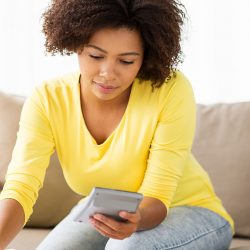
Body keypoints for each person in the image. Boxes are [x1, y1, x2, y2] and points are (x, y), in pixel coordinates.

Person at [0, 0, 234, 249]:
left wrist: (136, 220)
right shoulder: (48, 99)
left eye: (126, 61)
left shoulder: (169, 89)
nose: (107, 73)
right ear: (76, 45)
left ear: (145, 57)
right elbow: (21, 187)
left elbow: (157, 196)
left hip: (192, 211)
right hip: (105, 210)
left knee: (125, 247)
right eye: (96, 56)